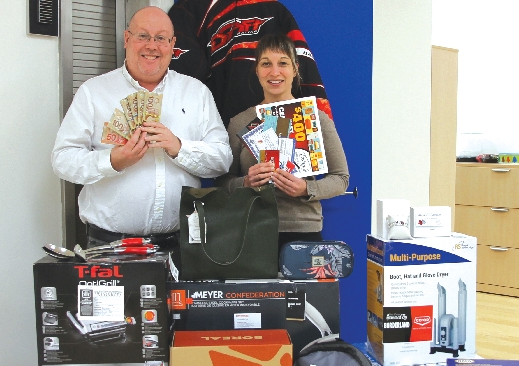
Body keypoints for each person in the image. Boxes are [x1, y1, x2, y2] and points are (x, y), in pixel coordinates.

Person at [52, 7, 232, 248]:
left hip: (180, 245)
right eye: (143, 36)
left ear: (172, 44)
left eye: (161, 38)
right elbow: (63, 160)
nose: (152, 46)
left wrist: (179, 148)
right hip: (109, 245)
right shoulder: (93, 92)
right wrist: (113, 161)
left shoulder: (196, 93)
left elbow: (222, 160)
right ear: (127, 39)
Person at [216, 34, 349, 250]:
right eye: (266, 63)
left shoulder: (315, 117)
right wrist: (245, 183)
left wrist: (307, 188)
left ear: (295, 69)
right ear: (257, 70)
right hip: (251, 231)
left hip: (304, 230)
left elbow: (341, 178)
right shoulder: (240, 122)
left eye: (283, 63)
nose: (274, 72)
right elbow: (221, 182)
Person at [168, 0, 331, 126]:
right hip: (219, 132)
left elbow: (303, 64)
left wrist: (319, 123)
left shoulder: (274, 10)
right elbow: (182, 75)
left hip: (277, 123)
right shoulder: (190, 10)